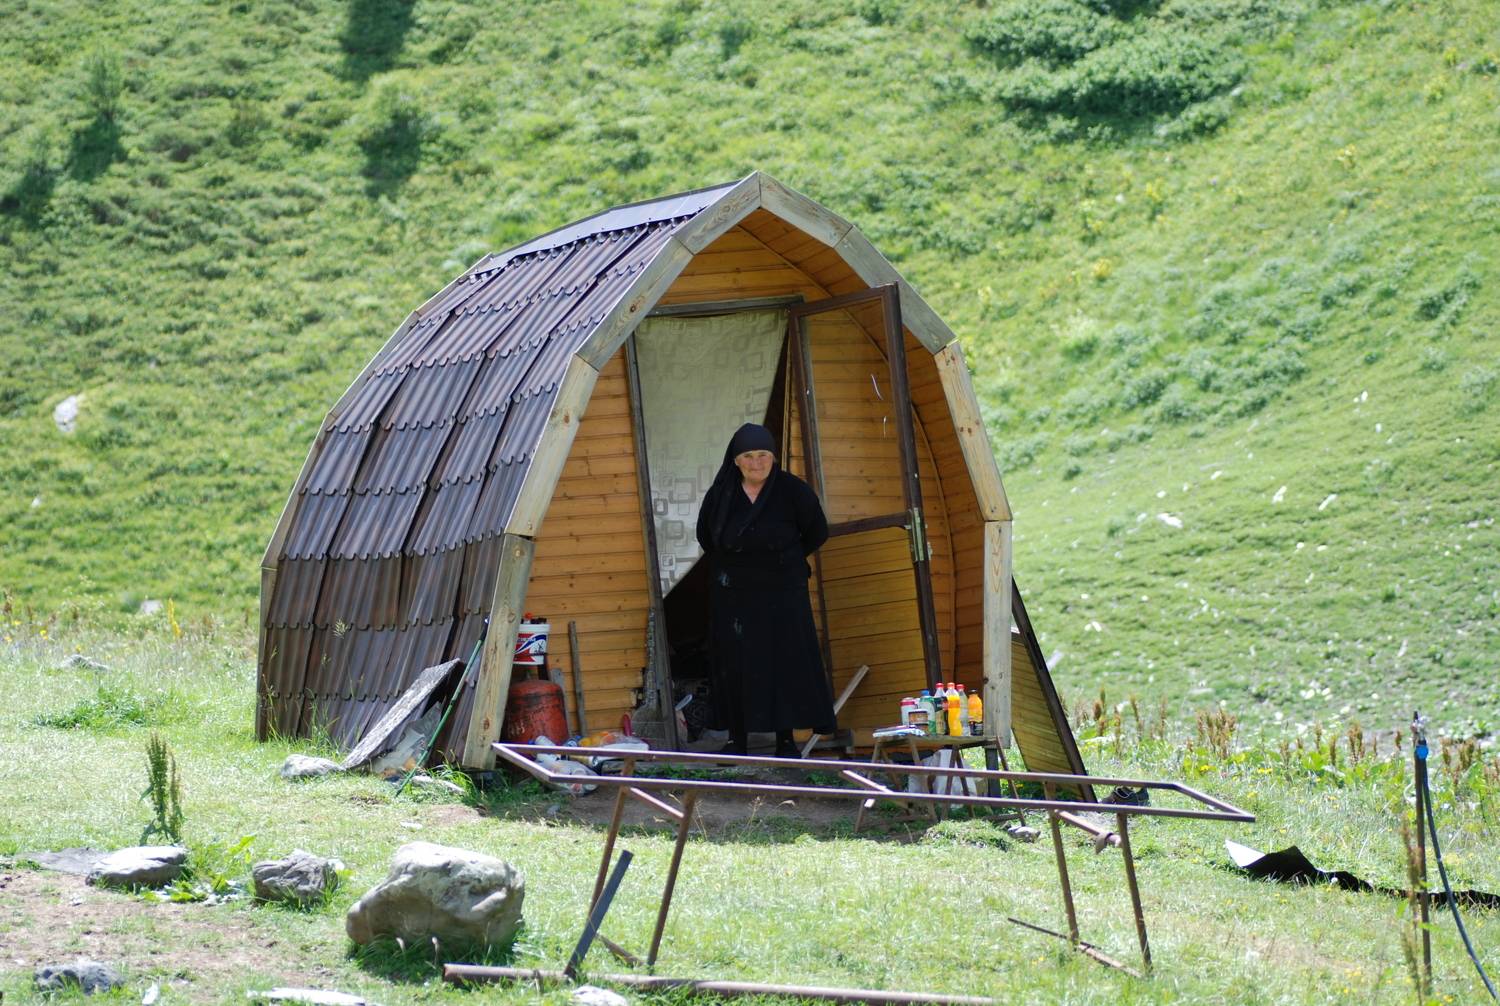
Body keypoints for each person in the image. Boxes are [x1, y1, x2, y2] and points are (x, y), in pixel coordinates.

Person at [695, 423, 836, 758]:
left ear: (773, 457)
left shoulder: (793, 491)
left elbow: (817, 532)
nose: (756, 462)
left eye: (763, 455)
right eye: (748, 456)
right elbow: (706, 536)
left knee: (783, 662)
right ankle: (736, 740)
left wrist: (785, 560)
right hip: (734, 595)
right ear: (735, 460)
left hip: (783, 593)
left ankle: (785, 741)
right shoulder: (721, 495)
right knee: (736, 664)